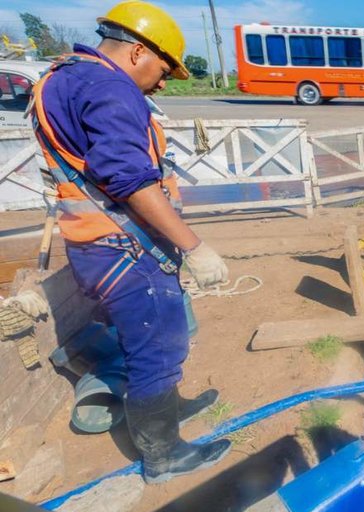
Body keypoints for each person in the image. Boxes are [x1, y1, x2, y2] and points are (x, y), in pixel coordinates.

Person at [30, 1, 231, 484]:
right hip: (126, 248)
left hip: (98, 246)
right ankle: (163, 456)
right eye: (163, 70)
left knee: (153, 340)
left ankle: (169, 409)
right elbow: (127, 179)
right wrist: (196, 247)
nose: (163, 84)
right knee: (157, 349)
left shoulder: (62, 77)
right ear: (138, 51)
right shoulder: (108, 87)